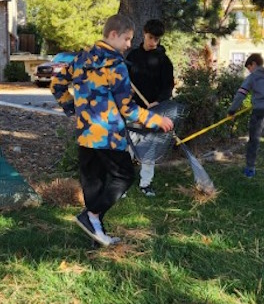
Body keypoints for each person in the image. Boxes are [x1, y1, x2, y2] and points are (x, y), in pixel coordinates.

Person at [51, 14, 174, 246]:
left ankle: (95, 234)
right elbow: (127, 109)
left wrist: (72, 107)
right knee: (123, 175)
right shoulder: (116, 66)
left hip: (85, 134)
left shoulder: (80, 59)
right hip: (108, 135)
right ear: (113, 34)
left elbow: (56, 84)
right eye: (126, 39)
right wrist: (155, 119)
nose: (129, 44)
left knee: (94, 183)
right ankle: (91, 215)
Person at [126, 18, 175, 197]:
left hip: (154, 111)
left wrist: (159, 101)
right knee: (128, 147)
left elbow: (168, 86)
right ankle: (122, 183)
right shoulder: (132, 57)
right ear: (144, 34)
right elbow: (123, 80)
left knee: (149, 148)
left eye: (157, 39)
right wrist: (128, 90)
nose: (153, 42)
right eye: (150, 38)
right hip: (132, 110)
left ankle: (145, 184)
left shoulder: (164, 61)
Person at [227, 53, 264, 179]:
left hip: (259, 112)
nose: (249, 71)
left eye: (249, 68)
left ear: (253, 64)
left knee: (254, 141)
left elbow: (241, 94)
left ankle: (250, 169)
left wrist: (232, 111)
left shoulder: (253, 77)